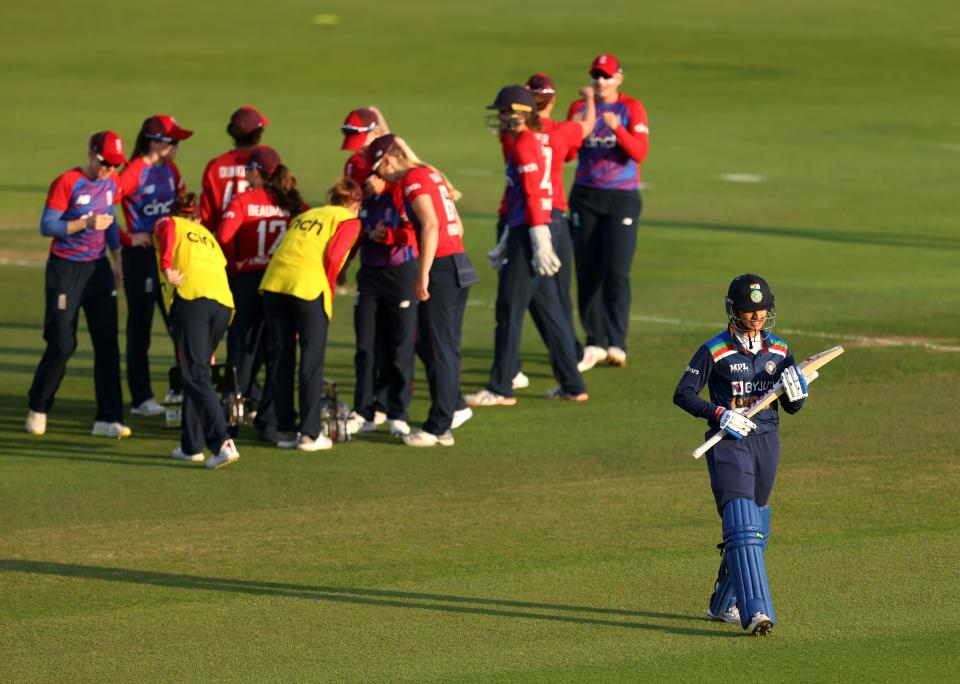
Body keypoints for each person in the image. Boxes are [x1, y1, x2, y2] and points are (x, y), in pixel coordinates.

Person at [672, 274, 808, 636]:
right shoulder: (714, 350)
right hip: (729, 441)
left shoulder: (778, 350)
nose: (756, 317)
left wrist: (798, 394)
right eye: (749, 311)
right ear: (734, 311)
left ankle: (721, 603)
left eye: (762, 311)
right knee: (742, 522)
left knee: (756, 525)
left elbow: (792, 407)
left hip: (767, 440)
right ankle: (757, 612)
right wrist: (718, 414)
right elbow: (683, 393)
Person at [466, 85, 587, 408]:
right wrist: (508, 240)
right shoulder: (530, 140)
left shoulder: (523, 143)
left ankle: (501, 387)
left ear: (520, 113)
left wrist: (536, 238)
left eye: (504, 112)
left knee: (509, 310)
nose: (500, 117)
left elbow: (533, 194)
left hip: (533, 232)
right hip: (533, 228)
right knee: (549, 311)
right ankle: (572, 383)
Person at [368, 134, 477, 447]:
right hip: (459, 261)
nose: (380, 178)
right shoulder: (430, 173)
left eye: (379, 170)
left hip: (441, 266)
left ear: (388, 161)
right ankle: (451, 410)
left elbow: (429, 225)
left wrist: (423, 273)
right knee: (444, 346)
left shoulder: (412, 180)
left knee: (437, 346)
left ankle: (439, 425)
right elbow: (456, 223)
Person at [25, 130, 131, 439]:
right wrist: (84, 223)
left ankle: (108, 418)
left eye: (115, 166)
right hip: (65, 269)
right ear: (92, 155)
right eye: (106, 164)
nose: (110, 171)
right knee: (62, 343)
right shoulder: (67, 182)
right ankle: (39, 406)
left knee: (108, 343)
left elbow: (110, 216)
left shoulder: (111, 183)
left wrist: (117, 258)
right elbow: (48, 226)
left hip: (98, 269)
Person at [256, 179, 362, 451]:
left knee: (281, 357)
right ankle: (310, 433)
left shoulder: (308, 214)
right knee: (311, 360)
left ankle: (285, 429)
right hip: (307, 287)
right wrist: (329, 289)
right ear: (355, 203)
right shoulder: (349, 221)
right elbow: (335, 256)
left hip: (274, 283)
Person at [566, 54, 649, 369]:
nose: (600, 82)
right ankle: (595, 341)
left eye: (606, 76)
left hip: (621, 197)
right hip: (585, 195)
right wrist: (577, 129)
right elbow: (568, 153)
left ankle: (617, 342)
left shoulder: (630, 108)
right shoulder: (579, 108)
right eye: (596, 76)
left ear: (618, 79)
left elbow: (639, 152)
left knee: (616, 271)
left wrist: (618, 130)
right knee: (587, 270)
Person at [216, 146, 307, 427]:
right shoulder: (295, 204)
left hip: (247, 281)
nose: (245, 175)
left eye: (247, 170)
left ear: (257, 172)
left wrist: (234, 267)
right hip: (281, 284)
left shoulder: (244, 200)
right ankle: (271, 420)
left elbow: (224, 237)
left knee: (241, 352)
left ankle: (231, 419)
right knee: (277, 354)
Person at [153, 193, 239, 469]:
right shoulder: (208, 236)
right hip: (224, 304)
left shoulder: (170, 222)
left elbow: (164, 235)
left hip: (193, 300)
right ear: (199, 217)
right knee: (197, 371)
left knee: (195, 372)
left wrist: (167, 267)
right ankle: (191, 445)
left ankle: (221, 442)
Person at [118, 114, 193, 416]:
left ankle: (180, 387)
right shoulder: (134, 171)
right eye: (171, 141)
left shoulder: (171, 169)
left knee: (179, 320)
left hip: (168, 254)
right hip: (141, 257)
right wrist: (127, 238)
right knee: (141, 326)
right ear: (154, 142)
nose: (177, 146)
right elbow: (104, 203)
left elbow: (182, 202)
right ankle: (140, 398)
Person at [344, 172, 419, 438]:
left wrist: (388, 235)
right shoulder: (363, 200)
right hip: (369, 277)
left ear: (377, 176)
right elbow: (355, 235)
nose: (361, 190)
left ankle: (397, 412)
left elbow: (412, 235)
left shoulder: (398, 194)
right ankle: (363, 410)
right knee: (365, 346)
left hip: (399, 276)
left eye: (364, 183)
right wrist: (345, 263)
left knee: (400, 347)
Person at [200, 106, 269, 230]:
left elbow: (206, 216)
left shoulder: (215, 166)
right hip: (257, 234)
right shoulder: (266, 162)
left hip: (223, 239)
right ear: (257, 135)